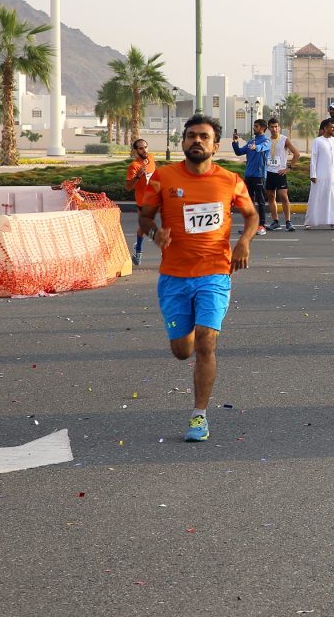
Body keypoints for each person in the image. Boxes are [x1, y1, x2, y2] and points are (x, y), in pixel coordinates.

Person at [138, 115, 258, 441]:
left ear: (215, 146)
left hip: (215, 273)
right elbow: (144, 218)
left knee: (207, 339)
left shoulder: (230, 180)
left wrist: (243, 242)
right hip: (174, 277)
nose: (197, 141)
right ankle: (186, 333)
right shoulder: (163, 178)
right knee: (182, 351)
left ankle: (199, 416)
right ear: (183, 142)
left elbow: (251, 215)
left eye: (204, 137)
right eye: (191, 136)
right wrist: (154, 233)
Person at [232, 119, 271, 235]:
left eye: (256, 126)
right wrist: (235, 142)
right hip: (248, 176)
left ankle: (262, 226)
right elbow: (239, 152)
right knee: (248, 202)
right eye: (254, 126)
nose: (254, 128)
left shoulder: (266, 141)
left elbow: (262, 148)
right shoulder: (251, 142)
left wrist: (256, 148)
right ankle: (250, 225)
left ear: (263, 128)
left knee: (261, 201)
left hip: (259, 176)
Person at [306, 119, 334, 229]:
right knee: (317, 197)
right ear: (324, 129)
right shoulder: (318, 141)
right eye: (331, 127)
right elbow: (313, 158)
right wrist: (313, 174)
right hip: (320, 175)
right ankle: (311, 221)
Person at [264, 117, 300, 231]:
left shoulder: (284, 139)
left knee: (284, 197)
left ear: (279, 127)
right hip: (269, 172)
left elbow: (296, 154)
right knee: (271, 196)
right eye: (272, 127)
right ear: (268, 128)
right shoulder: (266, 140)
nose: (274, 129)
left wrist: (288, 168)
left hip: (280, 173)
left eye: (276, 126)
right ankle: (275, 221)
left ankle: (288, 222)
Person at [124, 138, 156, 266]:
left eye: (146, 147)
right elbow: (127, 187)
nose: (144, 150)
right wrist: (138, 176)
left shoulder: (152, 158)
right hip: (143, 201)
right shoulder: (134, 166)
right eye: (141, 148)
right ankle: (138, 251)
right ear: (136, 151)